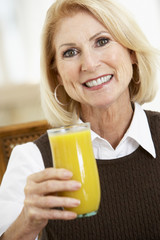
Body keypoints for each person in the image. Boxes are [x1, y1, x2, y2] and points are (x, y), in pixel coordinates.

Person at [0, 0, 160, 239]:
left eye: (102, 41)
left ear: (132, 52)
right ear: (58, 75)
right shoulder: (32, 161)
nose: (90, 64)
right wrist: (27, 223)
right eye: (70, 52)